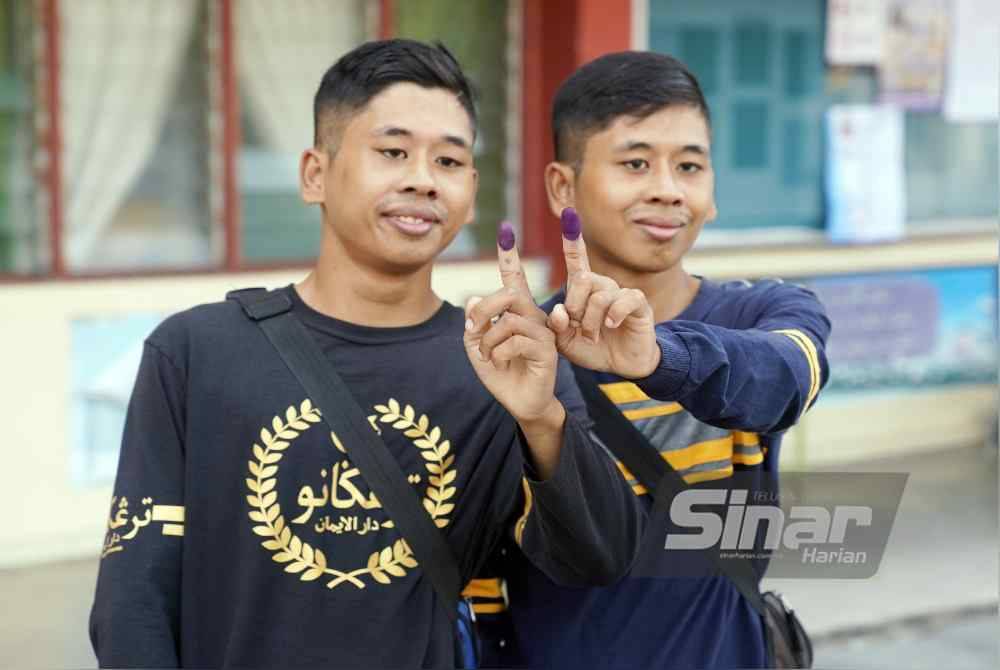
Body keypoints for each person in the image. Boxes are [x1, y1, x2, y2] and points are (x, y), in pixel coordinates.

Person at [88, 39, 645, 669]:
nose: (421, 179)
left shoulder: (506, 361)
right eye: (392, 151)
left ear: (471, 189)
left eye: (449, 161)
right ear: (314, 175)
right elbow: (133, 598)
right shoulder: (198, 351)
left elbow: (600, 559)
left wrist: (543, 421)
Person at [469, 51, 832, 669]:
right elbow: (484, 585)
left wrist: (662, 355)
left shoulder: (766, 311)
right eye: (635, 163)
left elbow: (786, 381)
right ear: (563, 187)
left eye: (689, 165)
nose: (667, 189)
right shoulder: (516, 356)